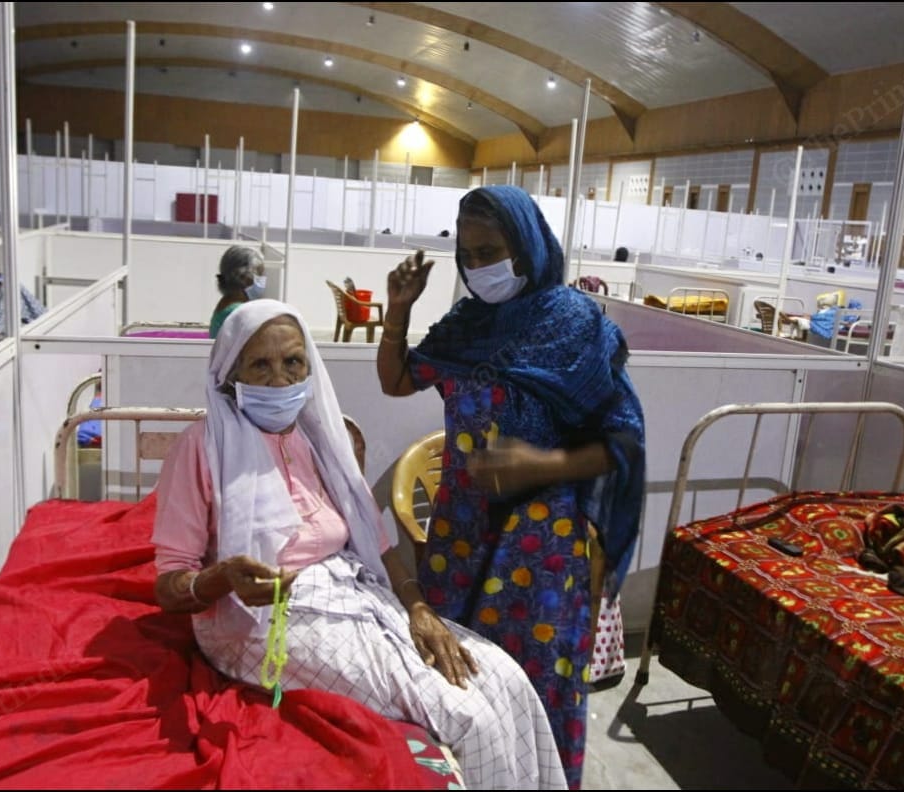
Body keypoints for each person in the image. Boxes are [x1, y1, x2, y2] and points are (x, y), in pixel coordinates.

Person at [151, 299, 566, 790]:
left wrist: (418, 610)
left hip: (349, 588)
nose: (280, 380)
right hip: (260, 620)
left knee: (508, 678)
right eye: (259, 364)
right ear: (229, 376)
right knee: (465, 714)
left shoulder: (321, 439)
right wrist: (221, 578)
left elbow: (380, 544)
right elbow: (169, 585)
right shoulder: (202, 448)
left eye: (293, 363)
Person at [376, 184, 647, 789]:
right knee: (455, 683)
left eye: (489, 250)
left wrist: (538, 465)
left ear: (526, 246)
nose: (478, 267)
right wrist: (399, 309)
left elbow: (621, 440)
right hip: (459, 532)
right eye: (467, 255)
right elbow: (396, 381)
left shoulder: (576, 324)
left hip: (540, 548)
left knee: (535, 685)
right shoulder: (467, 323)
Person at [208, 245, 266, 339]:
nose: (262, 280)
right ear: (244, 277)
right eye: (259, 275)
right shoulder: (239, 313)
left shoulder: (226, 304)